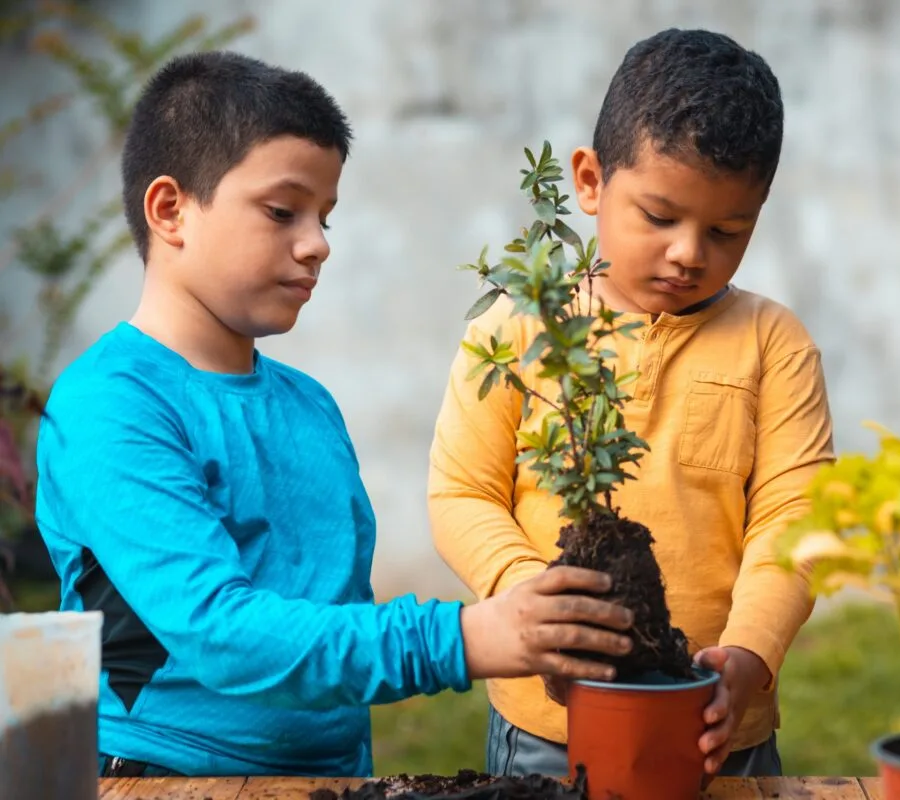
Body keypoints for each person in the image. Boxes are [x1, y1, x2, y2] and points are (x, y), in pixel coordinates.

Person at [36, 50, 635, 779]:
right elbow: (220, 631)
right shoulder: (110, 406)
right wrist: (468, 639)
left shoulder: (309, 407)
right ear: (171, 211)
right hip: (163, 780)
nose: (318, 242)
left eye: (325, 215)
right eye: (283, 211)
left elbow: (332, 629)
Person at [429, 28, 836, 779]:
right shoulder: (524, 324)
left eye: (726, 230)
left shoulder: (772, 343)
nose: (690, 252)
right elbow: (462, 491)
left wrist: (749, 654)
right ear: (588, 182)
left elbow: (794, 518)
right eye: (659, 216)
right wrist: (535, 603)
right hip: (545, 726)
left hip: (718, 723)